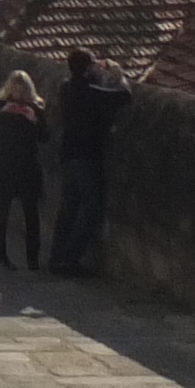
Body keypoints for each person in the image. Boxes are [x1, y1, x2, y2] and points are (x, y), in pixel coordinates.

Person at [48, 47, 125, 273]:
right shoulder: (89, 92)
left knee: (68, 206)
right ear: (88, 67)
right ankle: (70, 258)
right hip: (86, 155)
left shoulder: (65, 87)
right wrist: (118, 75)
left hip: (68, 152)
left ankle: (57, 256)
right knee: (89, 206)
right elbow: (124, 96)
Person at [0, 66, 48, 270]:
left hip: (28, 166)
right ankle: (1, 256)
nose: (18, 94)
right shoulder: (0, 105)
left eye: (22, 89)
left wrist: (34, 120)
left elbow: (45, 137)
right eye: (14, 89)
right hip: (5, 165)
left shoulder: (36, 107)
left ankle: (33, 259)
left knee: (31, 213)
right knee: (2, 211)